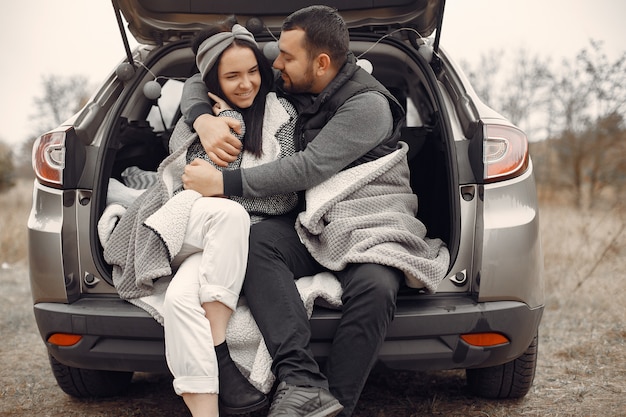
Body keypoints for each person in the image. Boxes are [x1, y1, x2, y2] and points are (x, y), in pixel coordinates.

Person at [180, 6, 449, 417]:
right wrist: (202, 120)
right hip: (315, 224)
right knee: (256, 242)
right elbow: (203, 79)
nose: (275, 63)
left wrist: (223, 184)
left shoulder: (369, 106)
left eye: (286, 56)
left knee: (376, 286)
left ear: (320, 63)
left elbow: (308, 169)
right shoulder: (293, 83)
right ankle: (301, 381)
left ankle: (334, 406)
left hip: (370, 221)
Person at [103, 21, 300, 417]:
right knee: (228, 213)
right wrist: (213, 122)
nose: (246, 84)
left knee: (179, 299)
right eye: (232, 76)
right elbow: (191, 180)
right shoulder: (194, 119)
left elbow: (285, 198)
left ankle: (208, 404)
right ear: (212, 79)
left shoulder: (283, 115)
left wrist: (225, 179)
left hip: (228, 232)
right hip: (185, 221)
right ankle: (219, 350)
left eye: (252, 72)